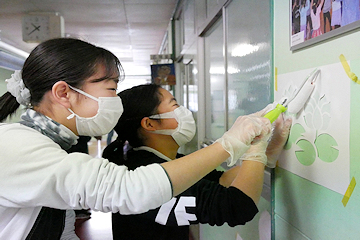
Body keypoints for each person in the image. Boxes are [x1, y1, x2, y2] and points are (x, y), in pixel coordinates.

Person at [0, 38, 271, 239]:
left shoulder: (49, 146)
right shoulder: (17, 146)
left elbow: (62, 230)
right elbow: (128, 189)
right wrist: (229, 143)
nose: (115, 101)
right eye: (110, 88)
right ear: (63, 93)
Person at [102, 84, 292, 240]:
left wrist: (266, 153)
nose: (186, 112)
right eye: (175, 105)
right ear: (150, 124)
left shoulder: (167, 159)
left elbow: (223, 180)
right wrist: (255, 151)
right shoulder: (149, 172)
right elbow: (238, 207)